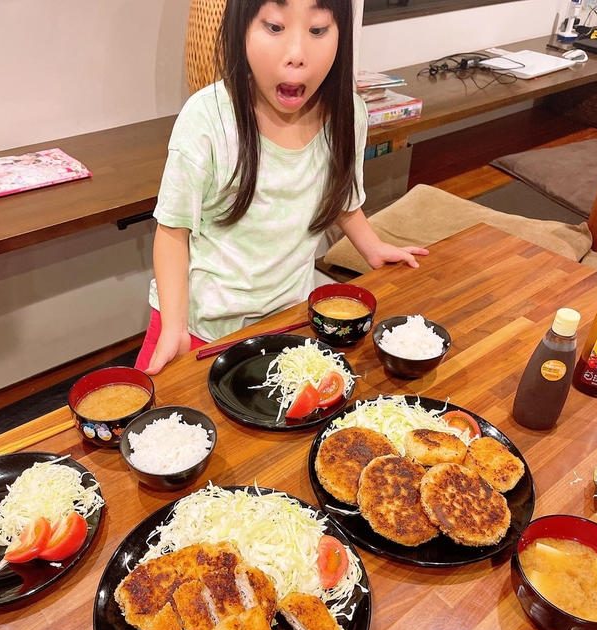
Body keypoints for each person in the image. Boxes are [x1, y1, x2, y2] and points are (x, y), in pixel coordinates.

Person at [136, 0, 428, 374]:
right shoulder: (207, 118)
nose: (297, 55)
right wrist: (174, 326)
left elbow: (340, 195)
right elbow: (172, 231)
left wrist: (372, 247)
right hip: (195, 328)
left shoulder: (347, 113)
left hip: (284, 324)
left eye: (318, 30)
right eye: (274, 27)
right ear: (241, 29)